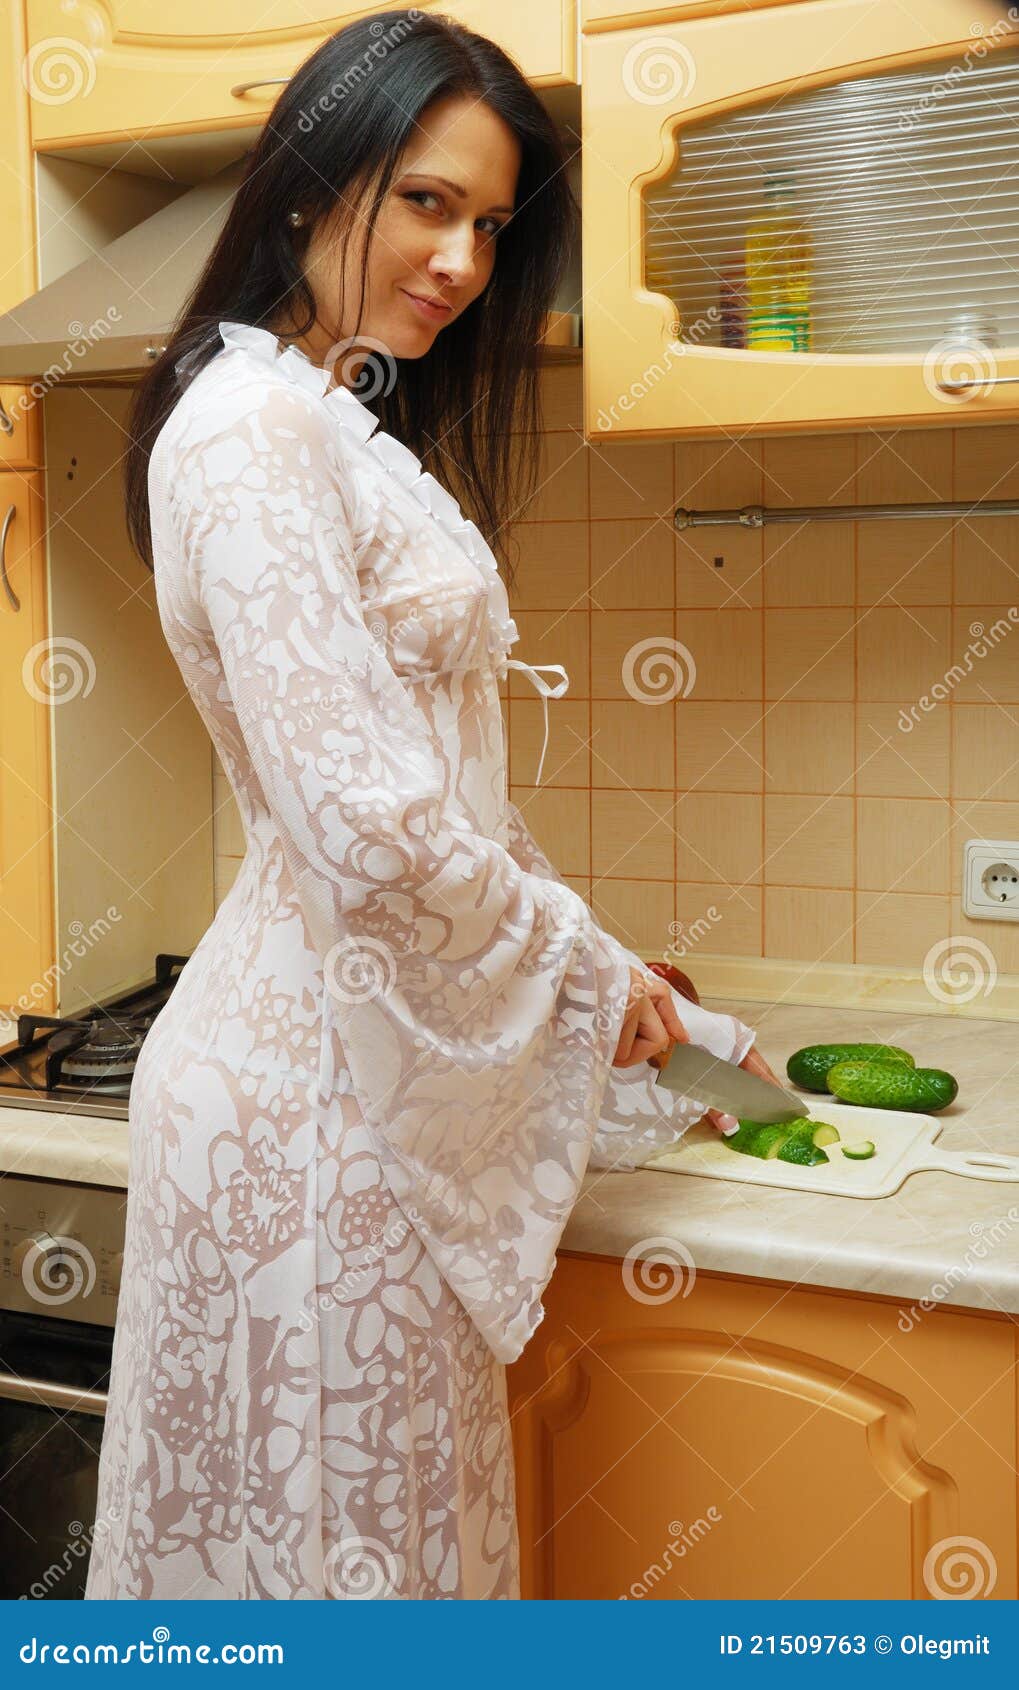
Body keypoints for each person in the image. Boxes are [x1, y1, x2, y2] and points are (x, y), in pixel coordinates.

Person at [84, 9, 776, 1601]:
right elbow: (368, 821)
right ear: (317, 181)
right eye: (425, 202)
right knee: (344, 1570)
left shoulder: (330, 419)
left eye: (491, 223)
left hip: (348, 1070)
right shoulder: (252, 433)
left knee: (361, 1562)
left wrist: (603, 958)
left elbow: (433, 791)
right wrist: (585, 977)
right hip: (314, 1110)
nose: (462, 259)